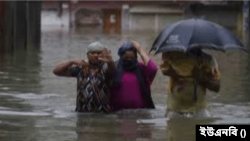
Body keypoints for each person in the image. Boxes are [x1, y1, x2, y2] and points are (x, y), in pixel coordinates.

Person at [52, 42, 116, 113]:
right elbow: (56, 71)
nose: (95, 55)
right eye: (92, 53)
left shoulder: (106, 68)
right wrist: (71, 62)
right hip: (82, 112)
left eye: (98, 53)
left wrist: (110, 62)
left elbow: (113, 71)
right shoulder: (81, 68)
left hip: (102, 113)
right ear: (88, 55)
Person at [159, 49, 220, 118]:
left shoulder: (208, 60)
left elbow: (216, 87)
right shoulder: (170, 55)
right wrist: (177, 74)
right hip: (175, 109)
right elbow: (164, 71)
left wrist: (201, 78)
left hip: (199, 110)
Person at [109, 41, 158, 112]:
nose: (129, 60)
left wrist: (140, 50)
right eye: (126, 57)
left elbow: (153, 68)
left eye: (131, 57)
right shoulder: (114, 69)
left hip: (140, 113)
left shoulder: (141, 69)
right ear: (121, 57)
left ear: (135, 57)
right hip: (118, 113)